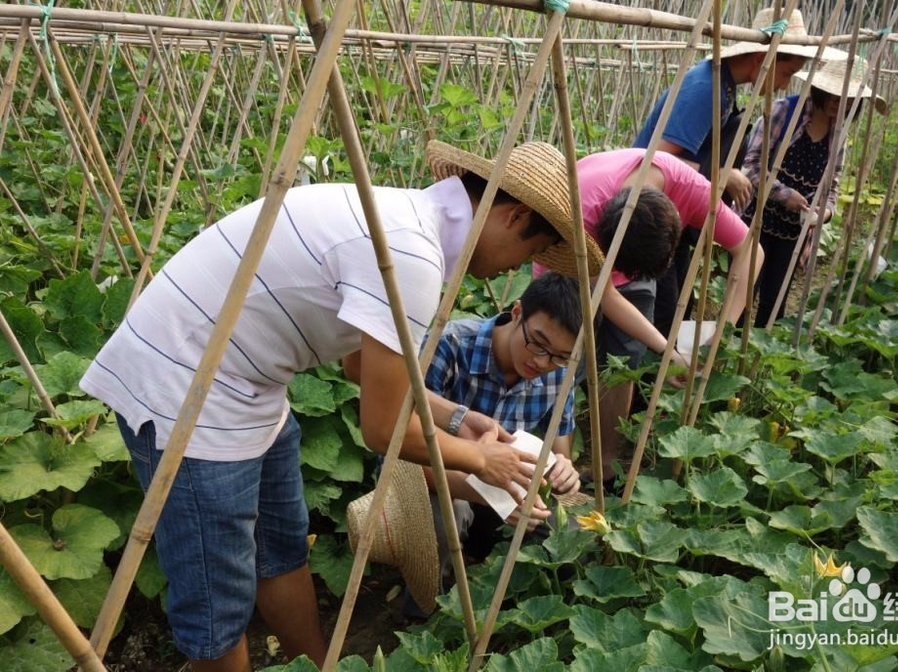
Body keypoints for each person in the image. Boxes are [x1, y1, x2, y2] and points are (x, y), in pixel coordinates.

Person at [78, 139, 603, 672]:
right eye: (530, 254)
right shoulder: (410, 253)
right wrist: (484, 461)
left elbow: (359, 370)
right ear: (514, 216)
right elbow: (383, 431)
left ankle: (318, 665)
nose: (518, 268)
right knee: (217, 607)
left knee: (282, 549)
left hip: (249, 382)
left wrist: (460, 419)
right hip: (184, 389)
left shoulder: (405, 224)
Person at [535, 148, 763, 486]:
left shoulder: (690, 190)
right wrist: (668, 350)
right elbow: (607, 294)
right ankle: (559, 474)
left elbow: (751, 250)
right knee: (559, 367)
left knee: (624, 362)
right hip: (571, 269)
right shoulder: (583, 213)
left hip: (627, 250)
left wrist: (720, 333)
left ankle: (606, 468)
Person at [402, 271, 583, 618]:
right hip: (436, 481)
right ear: (517, 313)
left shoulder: (560, 370)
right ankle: (424, 613)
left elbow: (560, 446)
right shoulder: (449, 344)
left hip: (506, 485)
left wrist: (565, 468)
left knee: (575, 526)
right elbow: (404, 455)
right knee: (447, 519)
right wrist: (484, 491)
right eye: (538, 344)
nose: (543, 362)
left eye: (559, 356)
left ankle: (518, 609)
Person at [634, 8, 816, 336]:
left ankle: (657, 379)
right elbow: (655, 161)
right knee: (659, 315)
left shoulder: (724, 86)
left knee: (675, 307)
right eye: (787, 72)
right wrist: (722, 174)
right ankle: (648, 383)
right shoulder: (707, 87)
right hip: (646, 216)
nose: (785, 84)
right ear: (763, 59)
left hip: (671, 213)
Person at [741, 56, 886, 328]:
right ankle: (724, 355)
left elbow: (832, 187)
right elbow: (749, 167)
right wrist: (784, 194)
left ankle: (754, 364)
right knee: (742, 296)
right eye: (834, 93)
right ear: (821, 89)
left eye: (849, 98)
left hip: (794, 233)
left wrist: (826, 213)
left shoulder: (837, 134)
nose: (839, 101)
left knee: (775, 304)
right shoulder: (785, 112)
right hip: (757, 221)